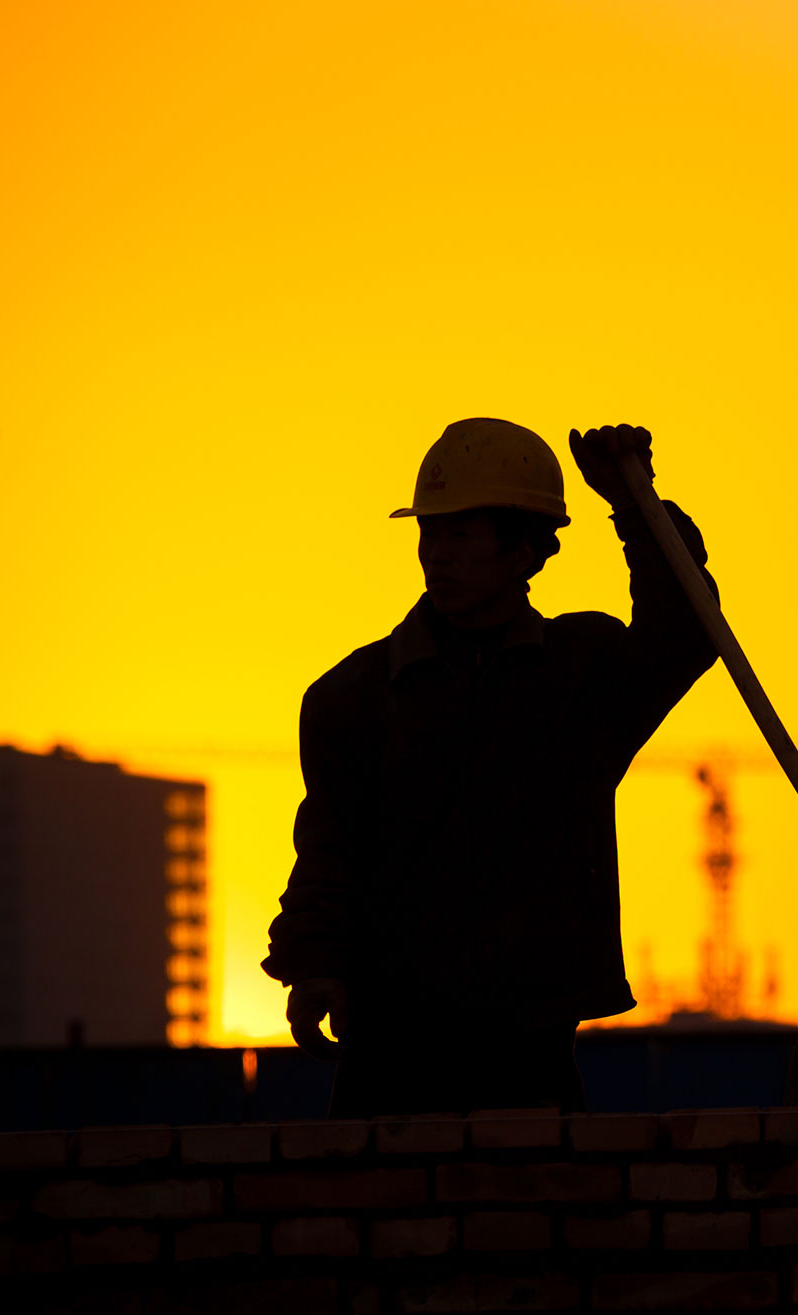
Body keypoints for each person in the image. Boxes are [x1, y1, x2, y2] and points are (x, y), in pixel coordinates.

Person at [263, 418, 716, 1116]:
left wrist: (636, 503)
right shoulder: (353, 697)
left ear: (526, 551)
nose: (435, 555)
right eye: (428, 534)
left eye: (460, 535)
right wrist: (316, 964)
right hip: (389, 1052)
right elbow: (328, 849)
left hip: (529, 1050)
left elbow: (686, 630)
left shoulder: (580, 676)